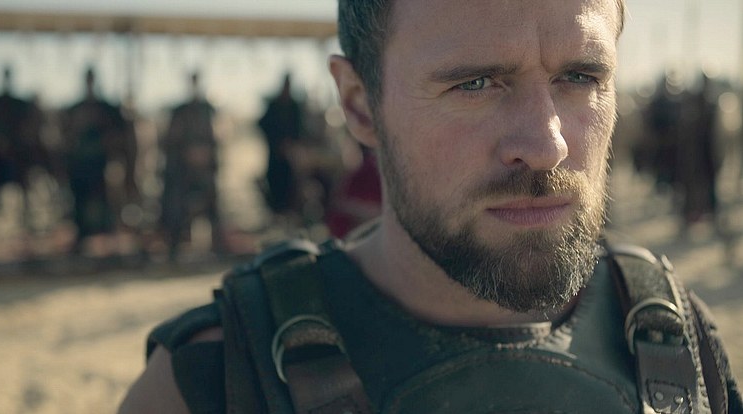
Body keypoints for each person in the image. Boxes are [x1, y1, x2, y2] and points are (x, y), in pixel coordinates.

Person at [120, 1, 742, 413]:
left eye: (580, 77)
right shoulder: (219, 378)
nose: (546, 145)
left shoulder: (675, 340)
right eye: (475, 83)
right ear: (360, 104)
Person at [60, 67, 133, 253]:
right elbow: (67, 137)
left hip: (103, 164)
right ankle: (83, 236)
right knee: (80, 201)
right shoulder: (76, 110)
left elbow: (120, 137)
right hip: (81, 166)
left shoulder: (106, 109)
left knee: (107, 199)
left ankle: (109, 238)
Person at [159, 71, 224, 258]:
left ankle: (217, 245)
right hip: (183, 171)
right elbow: (171, 140)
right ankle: (175, 244)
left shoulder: (207, 110)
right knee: (175, 204)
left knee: (212, 203)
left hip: (204, 170)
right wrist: (187, 154)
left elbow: (216, 139)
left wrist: (205, 155)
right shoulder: (180, 111)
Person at [0, 66, 46, 235]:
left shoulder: (20, 105)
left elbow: (28, 129)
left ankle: (28, 224)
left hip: (17, 155)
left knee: (25, 187)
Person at [257, 73, 304, 222]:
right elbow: (263, 124)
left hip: (289, 155)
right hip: (275, 154)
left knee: (289, 184)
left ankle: (287, 213)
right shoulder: (274, 105)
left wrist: (292, 144)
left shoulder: (294, 106)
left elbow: (300, 128)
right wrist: (276, 142)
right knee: (275, 183)